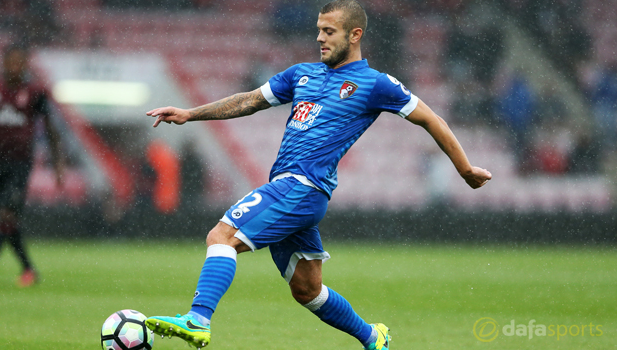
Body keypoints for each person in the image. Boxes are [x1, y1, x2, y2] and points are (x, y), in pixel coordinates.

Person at [144, 1, 492, 349]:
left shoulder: (376, 84)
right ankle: (374, 337)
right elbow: (249, 101)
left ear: (355, 35)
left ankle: (198, 319)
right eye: (318, 30)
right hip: (293, 190)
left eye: (329, 32)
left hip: (302, 186)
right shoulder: (301, 74)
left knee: (222, 236)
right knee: (308, 291)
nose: (319, 38)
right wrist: (190, 114)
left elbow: (431, 119)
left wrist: (464, 169)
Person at [0, 44, 64, 287]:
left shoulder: (35, 93)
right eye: (11, 62)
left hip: (18, 165)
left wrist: (58, 164)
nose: (15, 67)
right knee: (7, 222)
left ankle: (27, 269)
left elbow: (51, 129)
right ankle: (28, 269)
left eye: (20, 62)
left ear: (26, 65)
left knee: (6, 214)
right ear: (3, 63)